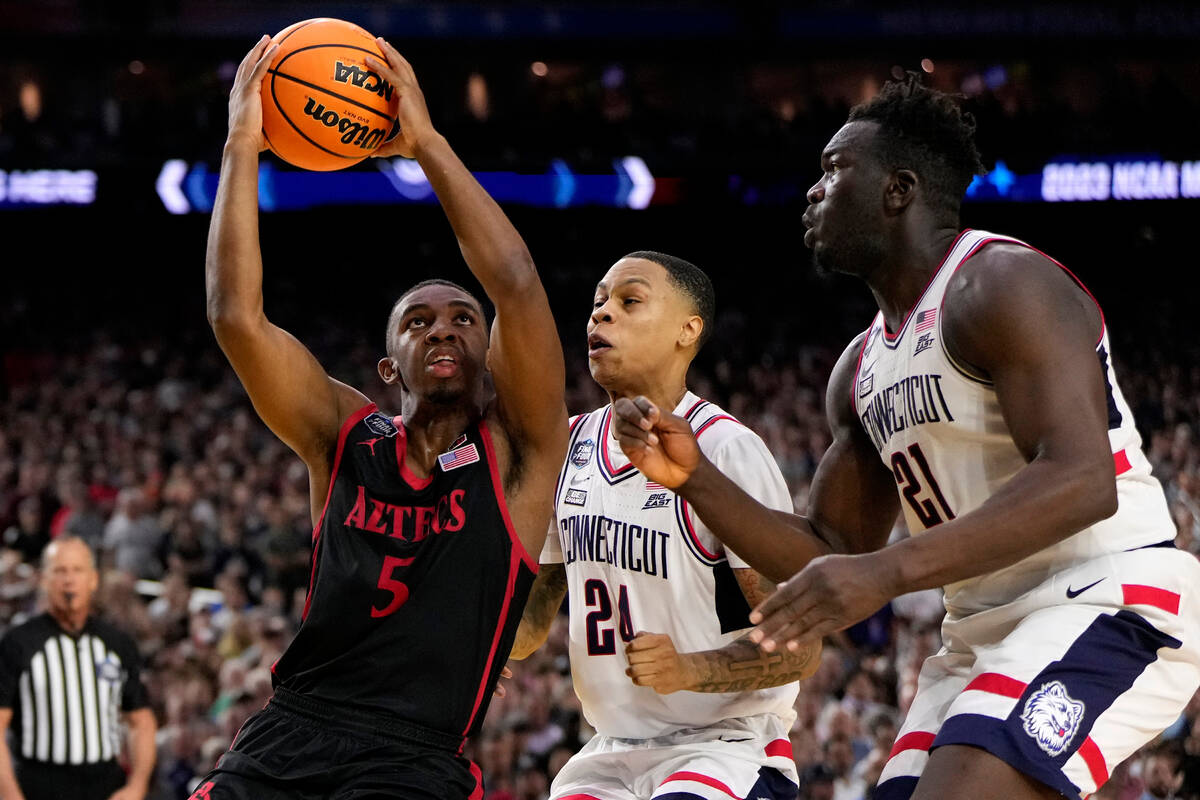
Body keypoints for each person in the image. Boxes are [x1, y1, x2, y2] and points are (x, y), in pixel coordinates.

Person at [612, 73, 1200, 800]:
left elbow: (1082, 481)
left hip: (1108, 596)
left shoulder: (999, 284)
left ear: (898, 191)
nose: (813, 190)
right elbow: (831, 551)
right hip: (980, 634)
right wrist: (695, 478)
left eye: (834, 170)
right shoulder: (858, 369)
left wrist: (886, 575)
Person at [191, 35, 567, 800]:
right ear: (388, 366)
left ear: (491, 356)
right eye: (419, 320)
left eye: (463, 319)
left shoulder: (521, 448)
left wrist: (424, 143)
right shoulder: (345, 436)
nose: (442, 329)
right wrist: (241, 146)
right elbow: (237, 317)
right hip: (288, 731)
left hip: (414, 758)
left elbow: (518, 282)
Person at [511, 251, 819, 800]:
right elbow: (534, 620)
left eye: (629, 301)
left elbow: (800, 649)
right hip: (611, 748)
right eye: (598, 301)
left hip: (726, 746)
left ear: (687, 330)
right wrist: (477, 648)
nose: (602, 314)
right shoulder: (570, 445)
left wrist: (689, 669)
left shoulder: (727, 450)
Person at [0, 536, 157, 800]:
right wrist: (10, 793)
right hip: (37, 785)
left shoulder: (117, 644)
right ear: (44, 579)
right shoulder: (18, 643)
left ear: (93, 579)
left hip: (105, 786)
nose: (69, 580)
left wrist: (137, 785)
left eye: (77, 570)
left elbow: (141, 721)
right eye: (60, 571)